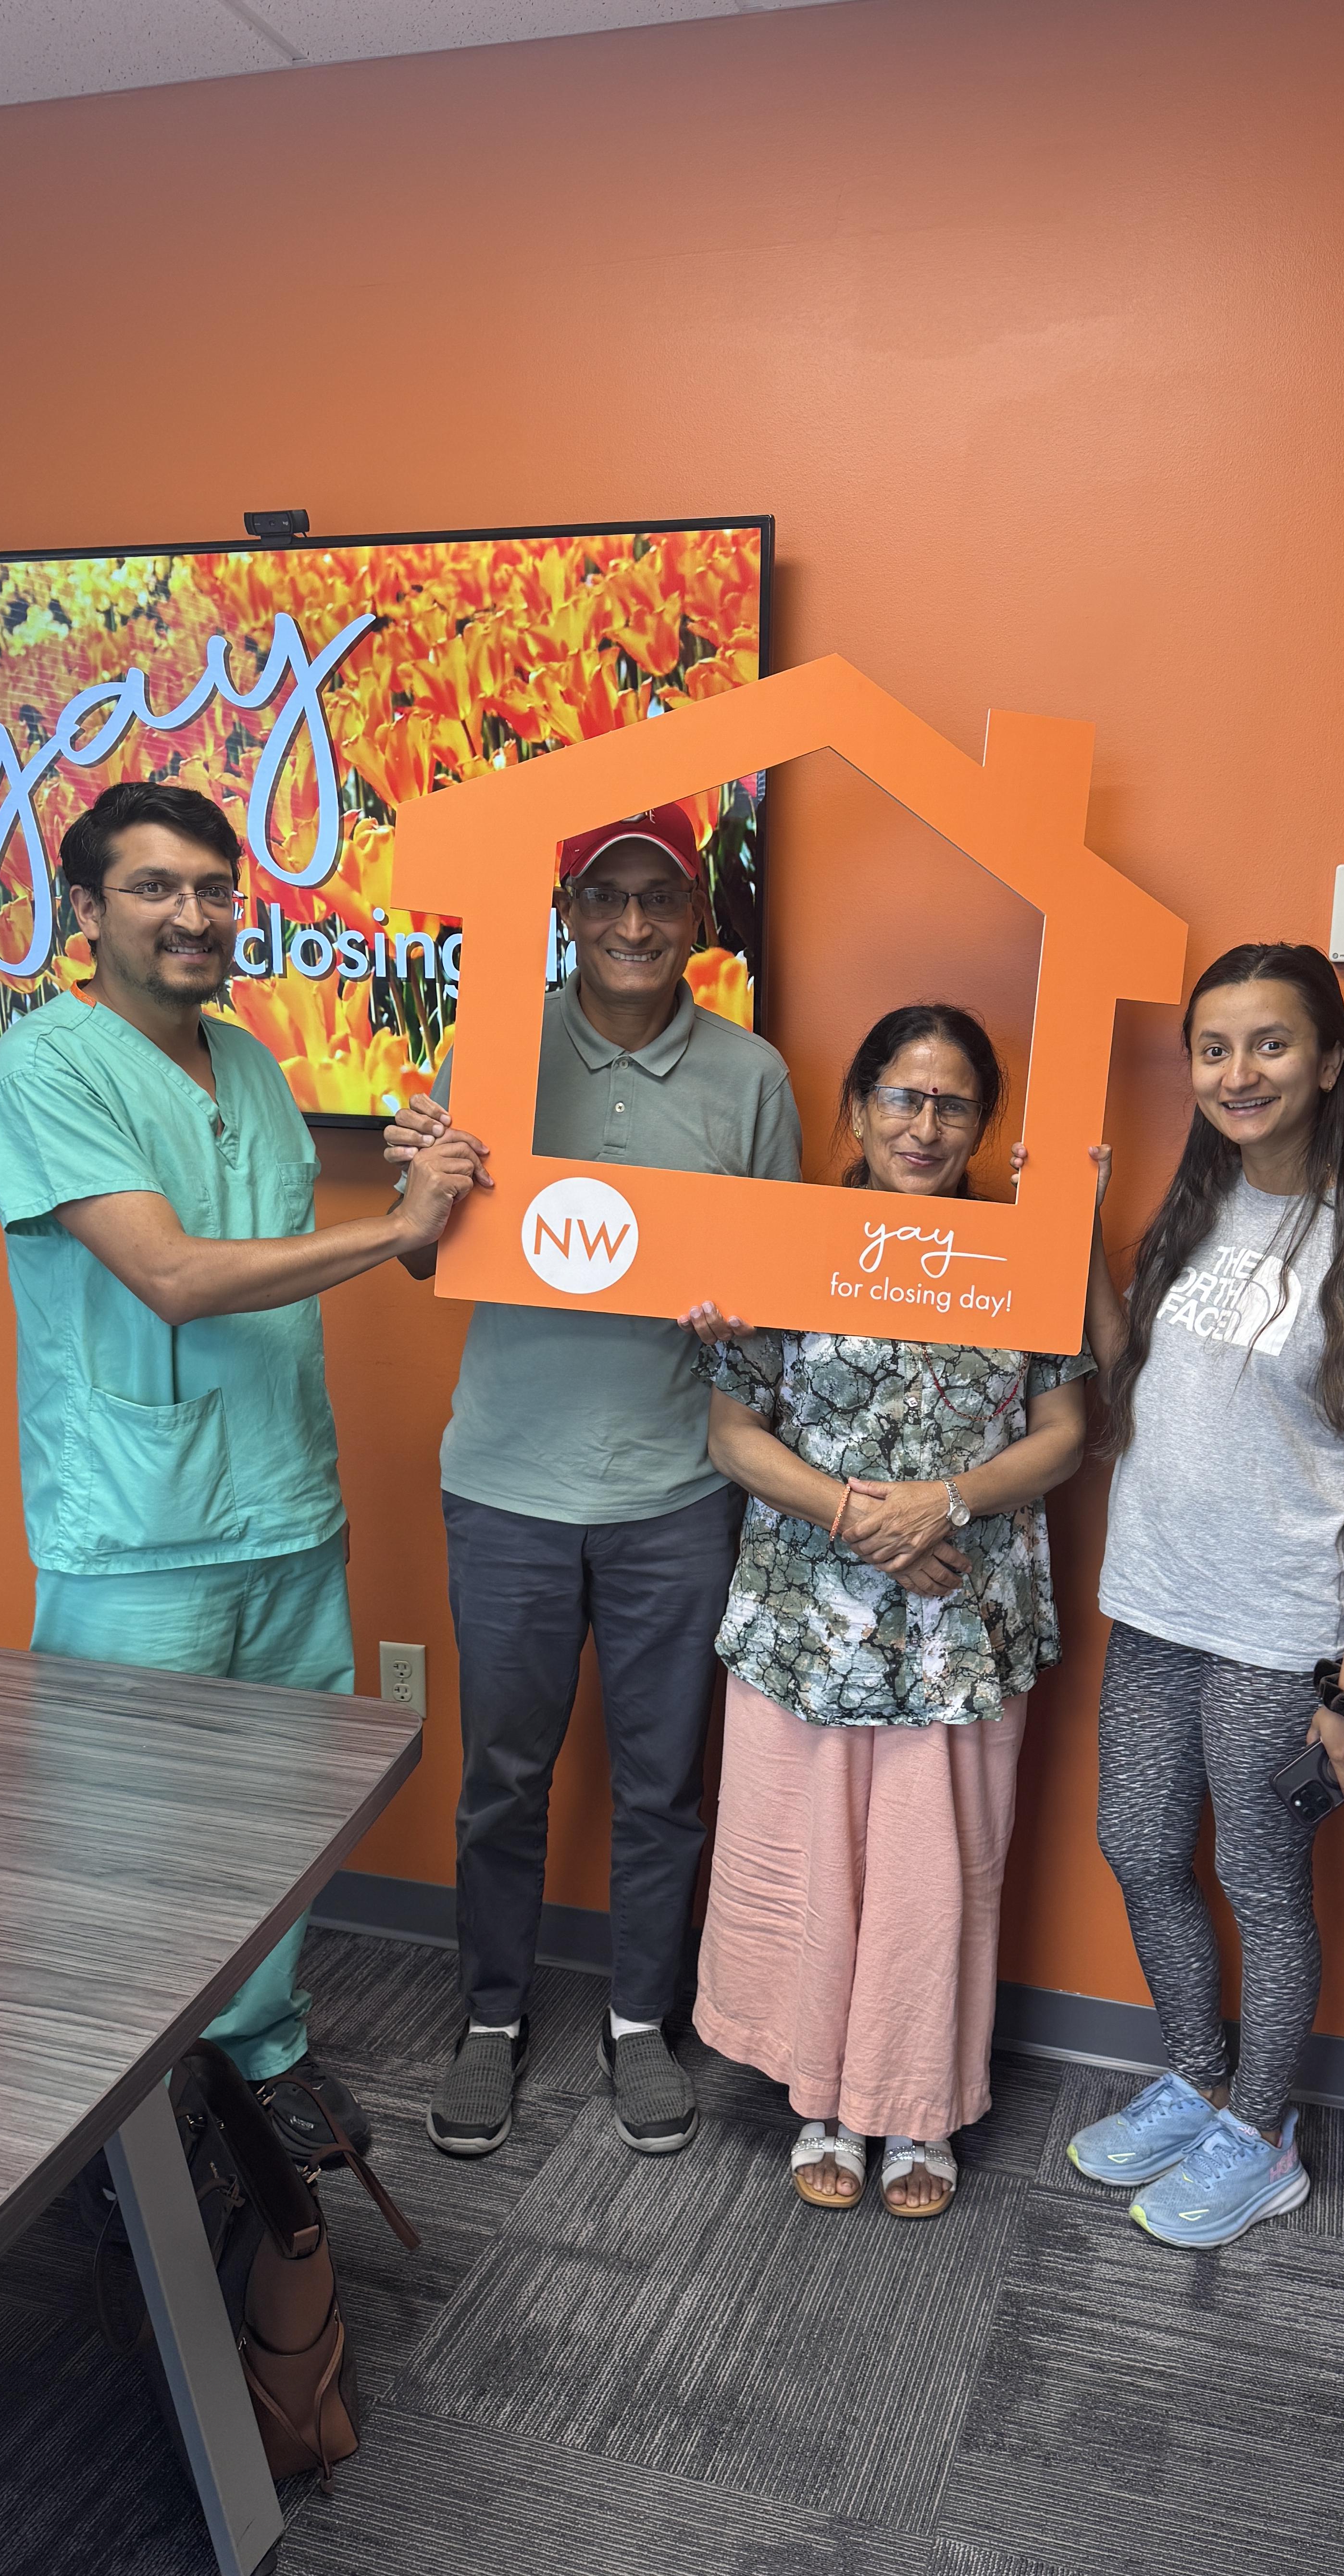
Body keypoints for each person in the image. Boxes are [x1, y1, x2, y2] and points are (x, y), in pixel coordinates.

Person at [0, 781, 486, 2155]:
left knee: (273, 1828)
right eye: (155, 888)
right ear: (85, 912)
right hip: (137, 1532)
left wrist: (432, 1197)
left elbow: (295, 1260)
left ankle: (260, 2056)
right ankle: (121, 2128)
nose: (193, 915)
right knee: (124, 1843)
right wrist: (398, 1228)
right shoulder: (43, 1069)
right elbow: (174, 1276)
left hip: (287, 1511)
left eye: (213, 889)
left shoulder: (251, 1063)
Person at [384, 804, 801, 2162]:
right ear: (566, 916)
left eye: (659, 899)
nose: (633, 924)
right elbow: (422, 1255)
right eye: (606, 898)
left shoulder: (750, 1077)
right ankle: (489, 2019)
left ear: (698, 921)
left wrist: (739, 1315)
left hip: (674, 1492)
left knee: (661, 1783)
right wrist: (417, 1196)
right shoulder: (495, 1051)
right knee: (502, 1778)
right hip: (505, 1480)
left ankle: (640, 2023)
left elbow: (782, 1298)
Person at [681, 1003, 1092, 2218]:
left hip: (960, 1626)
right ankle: (820, 2095)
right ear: (858, 1109)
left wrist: (945, 1504)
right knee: (813, 1868)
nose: (925, 1125)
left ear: (982, 1124)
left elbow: (1065, 1436)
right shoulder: (786, 1244)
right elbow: (733, 1435)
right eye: (903, 1098)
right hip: (807, 1620)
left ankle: (917, 2109)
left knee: (931, 1877)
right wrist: (865, 1519)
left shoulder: (1021, 1253)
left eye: (954, 1104)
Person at [1065, 943, 1344, 2246]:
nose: (1239, 1073)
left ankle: (1263, 2132)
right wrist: (1077, 1244)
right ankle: (1196, 2076)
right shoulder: (1197, 1206)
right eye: (1214, 1049)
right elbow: (1131, 1378)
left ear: (1329, 1061)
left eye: (1271, 1044)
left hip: (1279, 1632)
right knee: (1137, 1848)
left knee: (1260, 1882)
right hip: (1156, 1602)